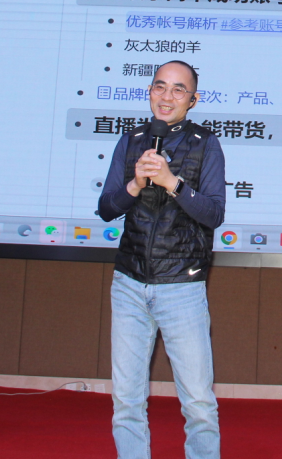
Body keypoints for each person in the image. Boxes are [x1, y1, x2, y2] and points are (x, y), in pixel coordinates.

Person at [98, 60, 226, 459]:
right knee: (126, 399)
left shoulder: (206, 144)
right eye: (160, 87)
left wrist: (172, 182)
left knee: (198, 402)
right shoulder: (132, 140)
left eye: (178, 89)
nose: (167, 97)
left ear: (193, 100)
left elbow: (213, 214)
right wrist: (135, 184)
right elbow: (106, 208)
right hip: (129, 283)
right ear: (150, 92)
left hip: (181, 286)